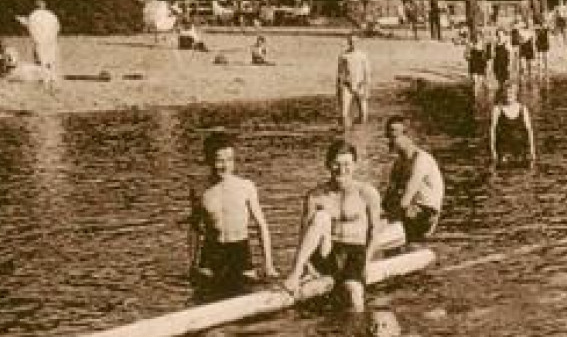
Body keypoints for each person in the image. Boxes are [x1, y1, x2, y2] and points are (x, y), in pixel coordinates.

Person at [285, 139, 382, 311]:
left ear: (355, 165)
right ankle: (296, 272)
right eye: (336, 164)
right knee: (321, 217)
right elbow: (304, 233)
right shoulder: (315, 196)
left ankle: (353, 334)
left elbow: (374, 232)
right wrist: (306, 263)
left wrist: (366, 263)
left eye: (346, 164)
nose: (341, 170)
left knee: (355, 295)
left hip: (355, 253)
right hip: (328, 252)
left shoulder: (367, 193)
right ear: (328, 165)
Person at [189, 130, 279, 298]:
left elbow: (261, 225)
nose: (225, 166)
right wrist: (192, 263)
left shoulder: (246, 187)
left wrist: (269, 264)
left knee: (247, 293)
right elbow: (195, 228)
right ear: (208, 160)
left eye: (229, 160)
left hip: (239, 250)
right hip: (212, 251)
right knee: (203, 295)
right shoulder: (200, 189)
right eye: (219, 160)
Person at [382, 117, 444, 244]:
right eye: (388, 137)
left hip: (425, 214)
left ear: (407, 136)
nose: (390, 141)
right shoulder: (398, 163)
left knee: (401, 213)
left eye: (394, 137)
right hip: (408, 211)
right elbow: (388, 198)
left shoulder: (421, 160)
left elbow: (406, 198)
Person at [489, 83, 537, 168]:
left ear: (515, 95)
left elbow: (529, 130)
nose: (509, 96)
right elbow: (492, 130)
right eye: (507, 93)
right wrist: (493, 150)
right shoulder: (497, 109)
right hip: (504, 149)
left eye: (511, 93)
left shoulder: (523, 109)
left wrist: (532, 150)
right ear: (503, 94)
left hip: (520, 148)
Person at [16, 0, 61, 81]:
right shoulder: (51, 15)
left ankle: (44, 76)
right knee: (49, 59)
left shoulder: (34, 15)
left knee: (40, 59)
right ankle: (51, 76)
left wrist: (21, 20)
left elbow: (30, 24)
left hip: (40, 41)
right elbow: (57, 27)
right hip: (51, 41)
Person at [336, 35, 371, 128]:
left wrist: (367, 88)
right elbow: (340, 73)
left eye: (355, 42)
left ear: (358, 42)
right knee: (344, 112)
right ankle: (345, 132)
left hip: (360, 85)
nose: (353, 44)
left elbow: (367, 73)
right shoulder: (343, 56)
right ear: (348, 43)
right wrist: (339, 88)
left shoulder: (363, 56)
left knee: (364, 113)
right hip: (347, 85)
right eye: (351, 42)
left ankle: (361, 131)